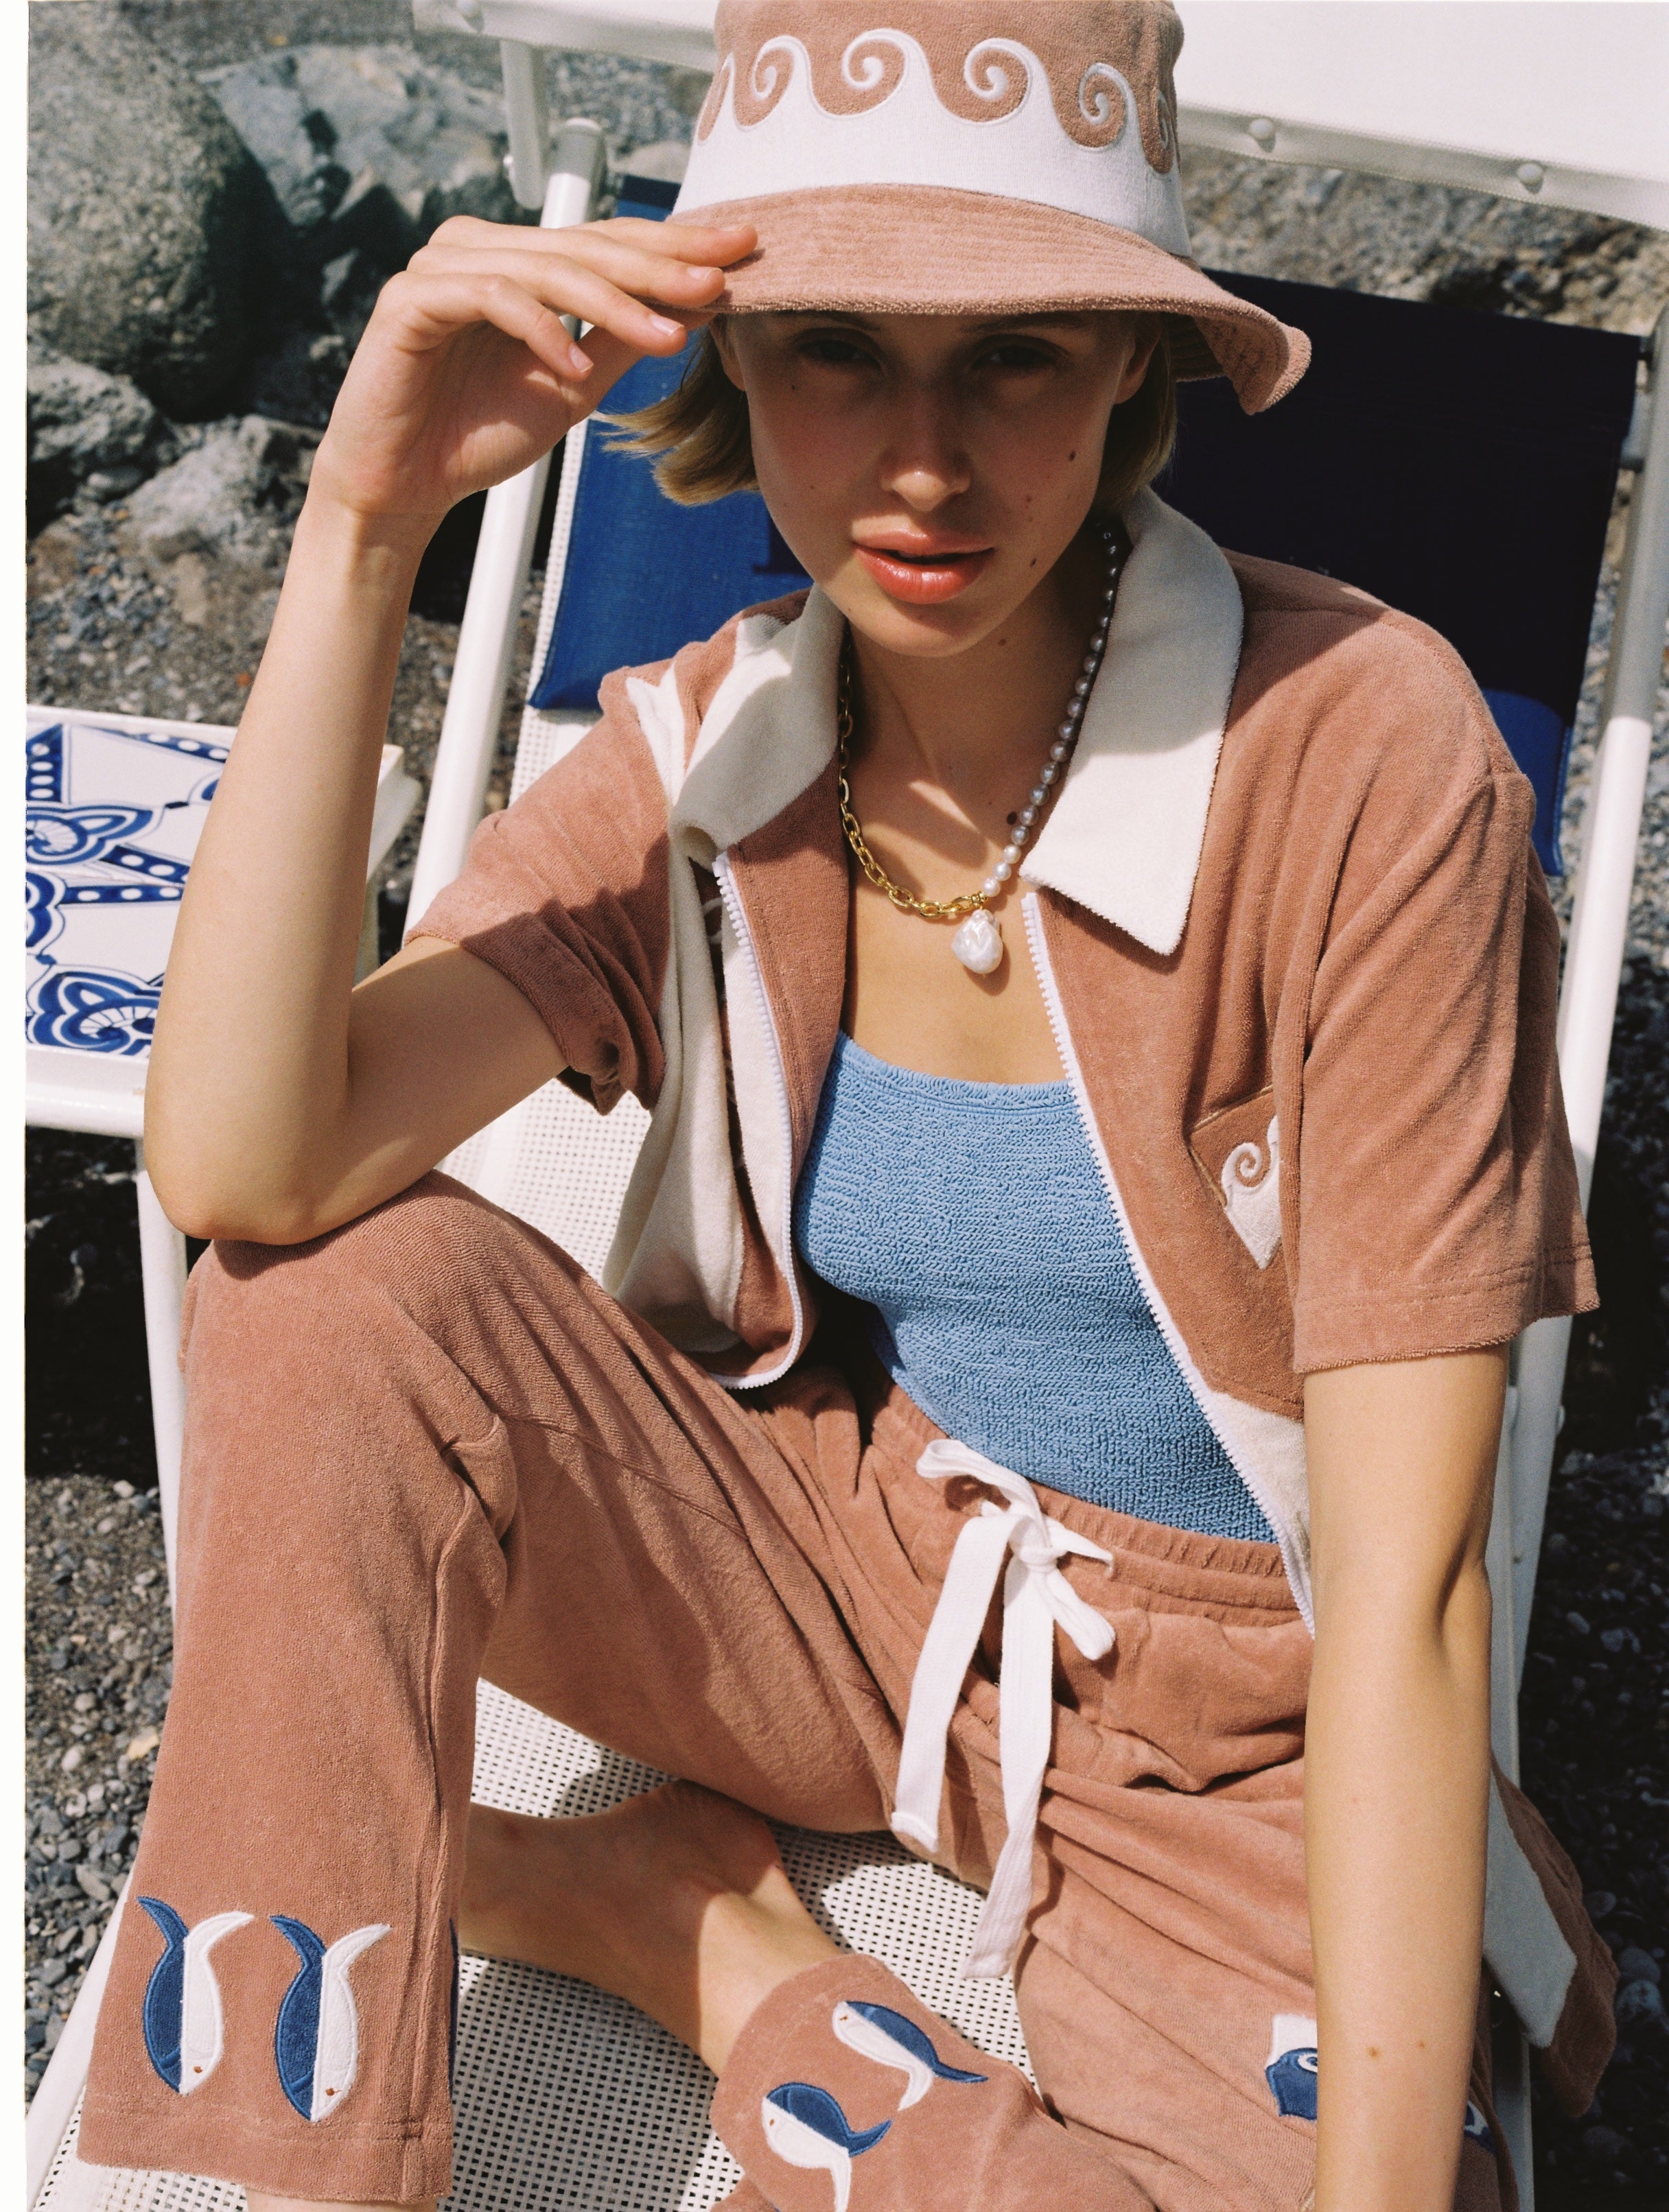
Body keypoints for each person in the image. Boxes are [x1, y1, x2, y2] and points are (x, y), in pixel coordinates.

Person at [79, 3, 1615, 2207]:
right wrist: (359, 518)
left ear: (1127, 367)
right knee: (324, 1294)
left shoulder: (1363, 763)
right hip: (841, 1565)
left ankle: (701, 1949)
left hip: (1234, 1715)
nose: (921, 464)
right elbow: (245, 1166)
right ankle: (296, 2169)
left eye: (1009, 354)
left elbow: (1409, 1584)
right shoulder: (718, 760)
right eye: (834, 350)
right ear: (726, 367)